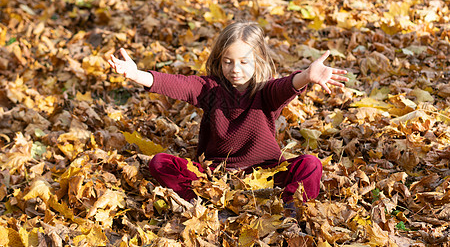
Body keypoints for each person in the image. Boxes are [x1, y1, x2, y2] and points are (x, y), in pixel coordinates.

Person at [108, 21, 348, 203]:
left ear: (259, 61)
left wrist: (306, 76)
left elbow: (286, 86)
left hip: (266, 173)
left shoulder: (266, 92)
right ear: (219, 61)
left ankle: (290, 208)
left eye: (244, 62)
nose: (235, 69)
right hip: (215, 176)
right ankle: (200, 201)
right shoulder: (210, 89)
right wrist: (136, 74)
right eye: (228, 62)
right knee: (160, 163)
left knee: (311, 164)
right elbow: (177, 84)